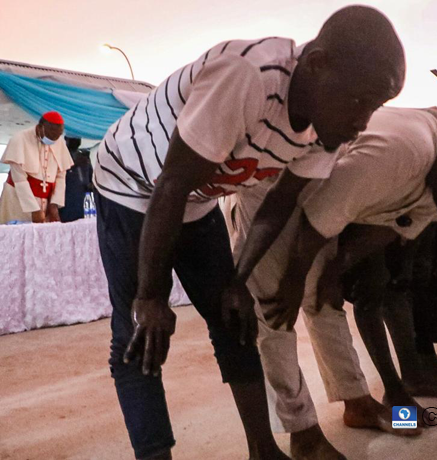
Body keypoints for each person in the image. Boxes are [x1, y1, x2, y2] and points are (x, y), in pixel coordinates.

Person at [92, 6, 405, 460]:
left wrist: (238, 281)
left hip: (194, 200)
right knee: (140, 335)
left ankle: (264, 449)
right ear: (316, 65)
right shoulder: (248, 77)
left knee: (235, 319)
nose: (364, 121)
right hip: (132, 185)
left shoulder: (330, 127)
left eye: (374, 107)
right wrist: (151, 294)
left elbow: (277, 205)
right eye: (359, 101)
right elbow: (172, 182)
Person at [224, 106, 437, 453]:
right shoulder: (399, 152)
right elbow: (316, 221)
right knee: (275, 308)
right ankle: (303, 432)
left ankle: (358, 403)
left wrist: (336, 270)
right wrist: (294, 279)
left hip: (326, 199)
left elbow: (394, 222)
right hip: (276, 190)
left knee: (325, 300)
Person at [0, 111, 73, 224]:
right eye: (51, 135)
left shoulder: (58, 141)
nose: (53, 140)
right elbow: (19, 179)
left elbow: (61, 176)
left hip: (46, 202)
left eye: (57, 136)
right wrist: (33, 209)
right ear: (40, 127)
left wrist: (54, 204)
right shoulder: (20, 139)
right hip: (18, 200)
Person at [59, 137, 93, 223]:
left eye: (77, 138)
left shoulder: (84, 159)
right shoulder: (60, 157)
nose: (76, 141)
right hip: (64, 202)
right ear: (66, 140)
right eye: (73, 138)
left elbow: (90, 181)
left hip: (80, 201)